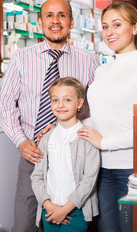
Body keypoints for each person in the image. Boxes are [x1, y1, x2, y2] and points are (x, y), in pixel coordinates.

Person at [0, 0, 100, 232]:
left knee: (70, 223)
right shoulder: (21, 58)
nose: (55, 21)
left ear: (71, 21)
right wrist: (22, 142)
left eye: (62, 15)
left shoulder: (89, 62)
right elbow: (5, 107)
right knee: (24, 225)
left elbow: (95, 109)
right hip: (33, 155)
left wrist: (69, 129)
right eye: (49, 16)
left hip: (75, 156)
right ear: (40, 21)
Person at [77, 2, 137, 232]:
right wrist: (63, 127)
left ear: (135, 28)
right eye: (105, 27)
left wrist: (104, 143)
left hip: (132, 169)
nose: (110, 32)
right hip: (100, 168)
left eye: (117, 25)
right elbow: (95, 117)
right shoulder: (101, 70)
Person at [31, 77, 100, 232]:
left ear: (80, 103)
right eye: (55, 100)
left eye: (67, 100)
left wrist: (65, 209)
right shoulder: (46, 138)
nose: (60, 105)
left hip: (76, 212)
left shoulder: (87, 138)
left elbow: (88, 181)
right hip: (48, 210)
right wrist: (47, 204)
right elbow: (37, 176)